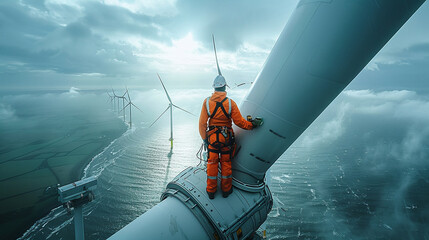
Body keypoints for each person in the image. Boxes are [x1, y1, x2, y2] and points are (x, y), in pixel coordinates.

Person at [199, 75, 263, 199]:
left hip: (212, 139)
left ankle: (211, 191)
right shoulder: (230, 103)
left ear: (214, 88)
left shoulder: (207, 102)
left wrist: (204, 139)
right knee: (226, 163)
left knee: (212, 163)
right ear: (224, 87)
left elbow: (202, 124)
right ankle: (226, 190)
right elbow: (239, 122)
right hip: (226, 139)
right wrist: (251, 125)